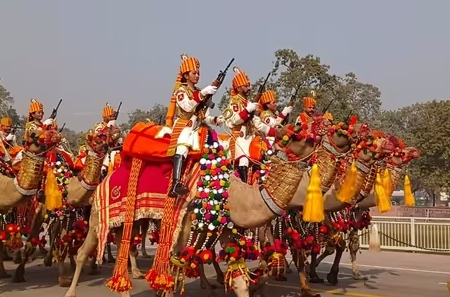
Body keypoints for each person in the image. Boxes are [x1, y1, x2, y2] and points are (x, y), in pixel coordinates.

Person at [166, 54, 221, 198]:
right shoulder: (180, 91)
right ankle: (176, 183)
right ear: (185, 75)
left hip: (197, 127)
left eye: (198, 73)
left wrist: (217, 120)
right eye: (194, 73)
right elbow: (188, 107)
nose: (197, 75)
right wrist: (203, 93)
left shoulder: (198, 91)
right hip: (184, 126)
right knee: (183, 145)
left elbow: (205, 116)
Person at [223, 67, 278, 182]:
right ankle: (243, 187)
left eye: (249, 85)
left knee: (261, 158)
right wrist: (247, 111)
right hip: (239, 137)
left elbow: (257, 123)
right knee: (244, 160)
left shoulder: (248, 103)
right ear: (238, 88)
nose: (249, 88)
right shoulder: (234, 101)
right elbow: (234, 120)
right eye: (246, 86)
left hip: (250, 138)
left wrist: (277, 133)